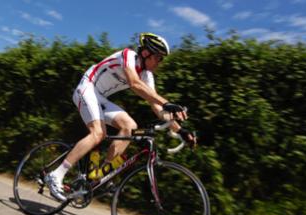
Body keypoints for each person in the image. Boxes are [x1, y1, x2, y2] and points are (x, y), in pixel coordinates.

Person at [45, 32, 196, 201]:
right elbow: (134, 83)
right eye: (159, 58)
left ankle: (100, 176)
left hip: (100, 97)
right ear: (146, 53)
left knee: (130, 127)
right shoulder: (128, 56)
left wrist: (180, 130)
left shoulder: (147, 76)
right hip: (86, 87)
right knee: (98, 133)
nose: (160, 63)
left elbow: (157, 106)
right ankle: (56, 175)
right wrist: (167, 102)